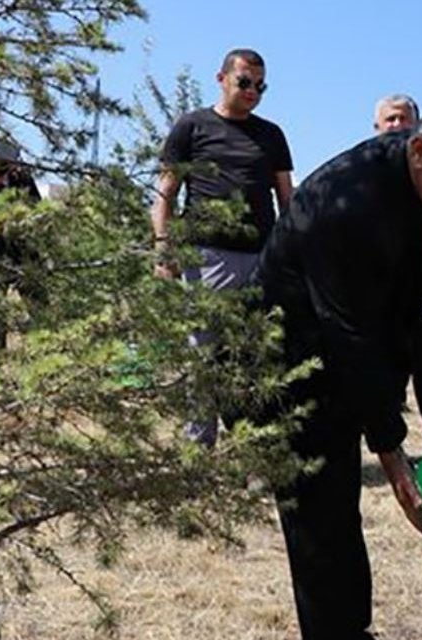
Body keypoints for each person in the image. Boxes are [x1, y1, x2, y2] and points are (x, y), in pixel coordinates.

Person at [257, 92, 422, 640]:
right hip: (289, 361)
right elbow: (345, 334)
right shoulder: (345, 203)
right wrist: (391, 447)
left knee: (338, 515)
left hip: (359, 337)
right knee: (322, 516)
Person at [149, 48, 294, 446]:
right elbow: (164, 194)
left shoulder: (271, 134)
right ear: (221, 78)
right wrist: (164, 249)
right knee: (205, 355)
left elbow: (287, 200)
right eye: (244, 82)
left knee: (256, 357)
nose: (252, 92)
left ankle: (254, 449)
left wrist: (291, 255)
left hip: (262, 258)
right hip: (206, 258)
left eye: (260, 86)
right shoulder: (191, 126)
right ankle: (200, 448)